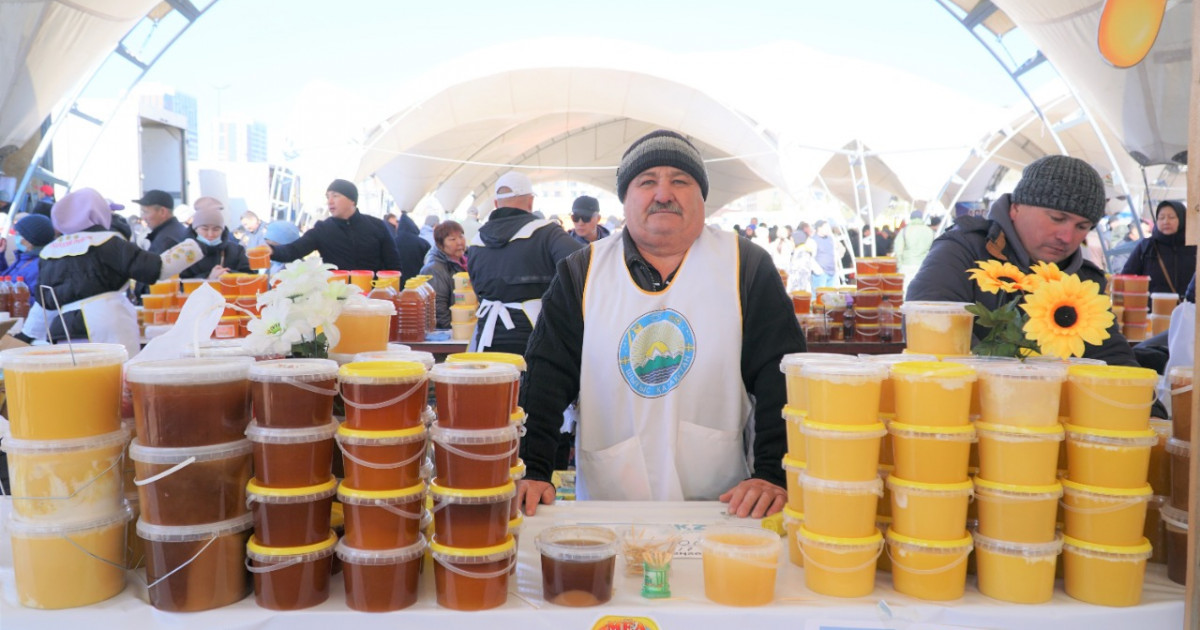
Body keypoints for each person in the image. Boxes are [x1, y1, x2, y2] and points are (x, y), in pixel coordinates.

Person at [517, 129, 805, 519]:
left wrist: (773, 472)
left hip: (725, 508)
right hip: (608, 509)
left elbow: (781, 377)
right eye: (647, 181)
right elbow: (546, 378)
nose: (663, 193)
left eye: (680, 181)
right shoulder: (582, 272)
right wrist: (533, 468)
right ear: (625, 198)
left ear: (702, 197)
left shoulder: (745, 266)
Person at [907, 154, 1137, 366]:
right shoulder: (963, 251)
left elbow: (1112, 357)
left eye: (1082, 226)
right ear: (1015, 208)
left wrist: (1150, 409)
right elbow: (930, 328)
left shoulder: (1085, 281)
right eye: (1057, 218)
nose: (1066, 237)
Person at [37, 188, 198, 358]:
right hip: (106, 319)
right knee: (116, 378)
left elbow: (44, 300)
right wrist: (195, 247)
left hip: (64, 329)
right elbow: (155, 268)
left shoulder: (50, 251)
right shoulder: (107, 241)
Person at [467, 171, 582, 354]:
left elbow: (476, 289)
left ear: (496, 204)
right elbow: (585, 265)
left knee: (496, 383)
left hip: (488, 338)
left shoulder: (476, 242)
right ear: (530, 202)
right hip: (535, 338)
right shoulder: (548, 233)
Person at [268, 179, 401, 273]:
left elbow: (394, 265)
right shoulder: (322, 230)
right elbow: (294, 250)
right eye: (328, 197)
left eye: (335, 196)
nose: (330, 201)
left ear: (352, 200)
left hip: (374, 299)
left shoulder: (377, 226)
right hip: (338, 299)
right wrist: (272, 251)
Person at [1120, 200, 1195, 298]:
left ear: (1182, 219)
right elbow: (1127, 277)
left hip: (1188, 310)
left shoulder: (1194, 246)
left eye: (1171, 217)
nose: (1166, 221)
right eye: (1161, 217)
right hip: (1153, 310)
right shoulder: (1146, 246)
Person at [180, 198, 251, 280]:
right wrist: (207, 278)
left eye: (216, 229)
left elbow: (251, 277)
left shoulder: (237, 251)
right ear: (195, 229)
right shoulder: (183, 253)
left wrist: (229, 275)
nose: (210, 234)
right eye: (205, 229)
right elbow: (179, 284)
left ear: (222, 230)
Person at [420, 220, 468, 328]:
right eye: (452, 239)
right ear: (440, 244)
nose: (459, 242)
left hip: (465, 324)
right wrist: (454, 330)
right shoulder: (434, 269)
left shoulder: (467, 261)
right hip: (450, 331)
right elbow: (438, 309)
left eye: (461, 237)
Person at [1, 214, 55, 304]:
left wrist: (9, 298)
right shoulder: (24, 258)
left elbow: (38, 301)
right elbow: (5, 280)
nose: (16, 237)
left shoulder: (38, 266)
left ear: (29, 239)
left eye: (18, 234)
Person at [136, 189, 189, 255]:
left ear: (162, 212)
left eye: (146, 212)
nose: (143, 217)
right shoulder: (177, 230)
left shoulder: (166, 241)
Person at [892, 210, 936, 289]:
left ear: (911, 218)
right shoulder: (930, 231)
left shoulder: (904, 231)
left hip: (907, 265)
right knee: (922, 290)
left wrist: (899, 265)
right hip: (924, 265)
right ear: (921, 218)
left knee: (906, 290)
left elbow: (898, 250)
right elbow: (934, 250)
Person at [394, 211, 431, 281]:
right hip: (418, 282)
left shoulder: (393, 242)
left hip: (398, 282)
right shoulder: (423, 243)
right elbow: (429, 263)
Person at [811, 220, 837, 288]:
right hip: (820, 274)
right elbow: (810, 257)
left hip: (832, 272)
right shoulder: (813, 240)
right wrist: (818, 270)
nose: (828, 229)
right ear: (819, 228)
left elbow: (834, 252)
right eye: (826, 227)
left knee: (831, 297)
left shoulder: (830, 239)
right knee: (819, 296)